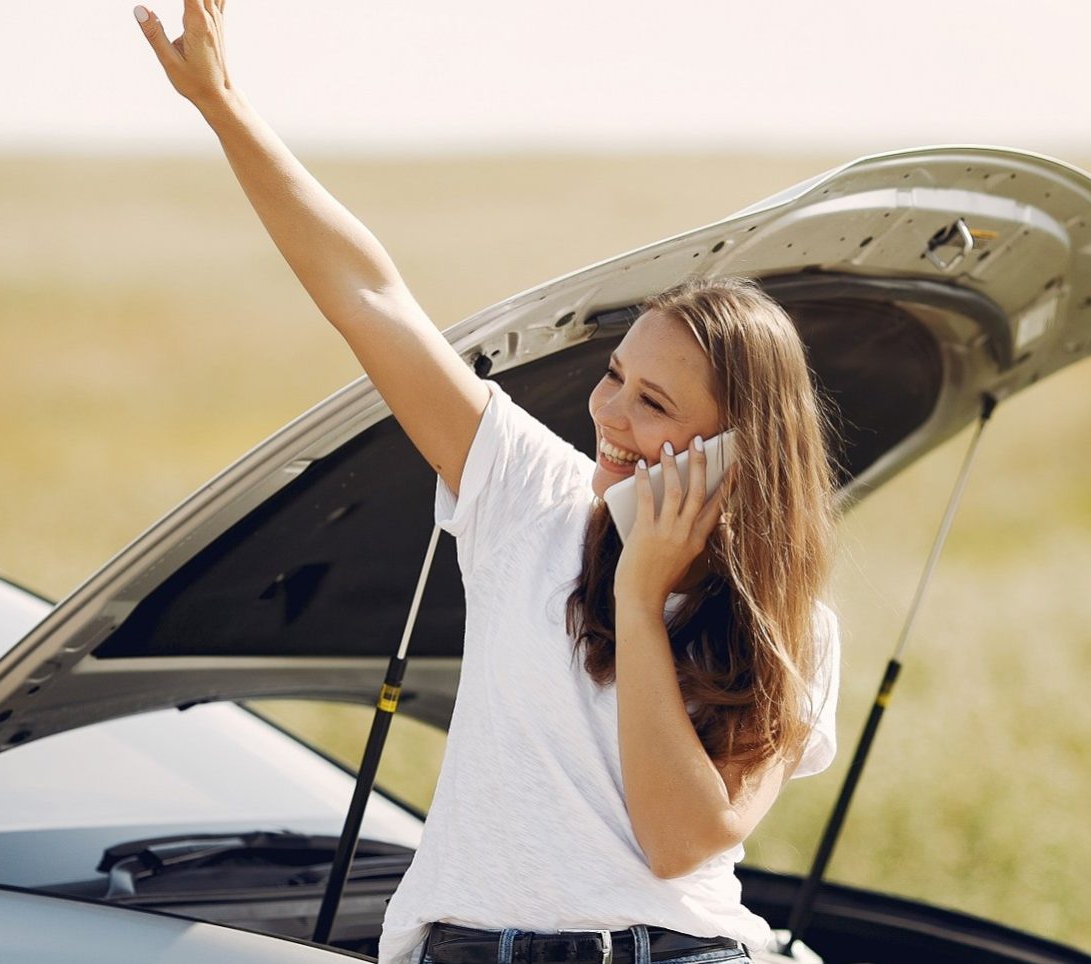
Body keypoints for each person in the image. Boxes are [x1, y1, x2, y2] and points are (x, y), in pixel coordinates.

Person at [132, 4, 844, 963]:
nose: (610, 416)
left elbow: (681, 842)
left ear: (736, 450)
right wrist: (222, 106)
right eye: (613, 378)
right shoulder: (529, 494)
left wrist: (639, 595)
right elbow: (369, 296)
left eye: (655, 404)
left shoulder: (790, 626)